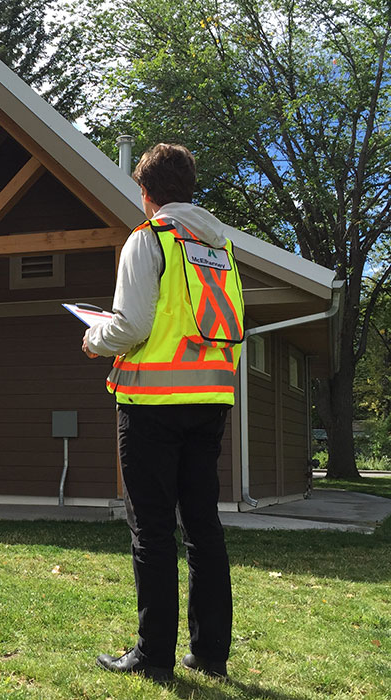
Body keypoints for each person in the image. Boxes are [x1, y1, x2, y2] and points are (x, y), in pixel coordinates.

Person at [83, 143, 244, 683]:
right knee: (203, 526)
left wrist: (93, 336)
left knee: (151, 530)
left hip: (153, 404)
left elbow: (130, 327)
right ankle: (210, 654)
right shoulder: (221, 249)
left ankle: (154, 657)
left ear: (145, 193)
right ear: (190, 189)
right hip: (211, 402)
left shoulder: (148, 239)